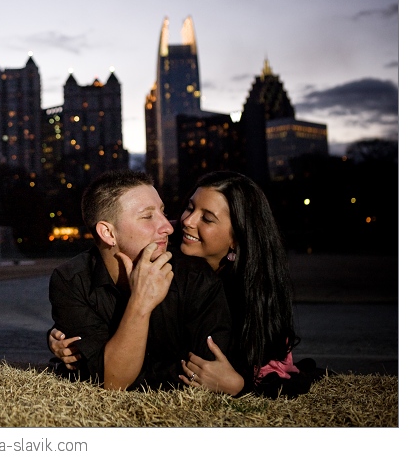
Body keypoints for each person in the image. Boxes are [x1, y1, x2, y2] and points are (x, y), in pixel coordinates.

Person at [51, 170, 318, 398]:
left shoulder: (231, 287)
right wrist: (75, 343)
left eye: (208, 218)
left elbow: (209, 367)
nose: (183, 222)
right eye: (190, 208)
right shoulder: (164, 248)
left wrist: (239, 384)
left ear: (237, 238)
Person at [48, 169, 232, 391]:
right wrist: (140, 303)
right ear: (108, 233)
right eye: (147, 216)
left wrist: (111, 365)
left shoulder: (194, 276)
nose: (168, 226)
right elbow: (112, 380)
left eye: (163, 213)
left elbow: (206, 370)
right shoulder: (71, 280)